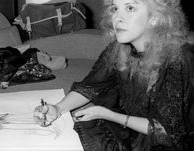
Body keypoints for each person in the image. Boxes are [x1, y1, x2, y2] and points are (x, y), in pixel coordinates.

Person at [33, 0, 194, 150]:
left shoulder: (178, 58)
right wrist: (58, 108)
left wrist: (109, 115)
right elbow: (92, 85)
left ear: (155, 18)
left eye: (130, 8)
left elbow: (167, 132)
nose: (118, 17)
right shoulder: (119, 48)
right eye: (115, 8)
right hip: (135, 126)